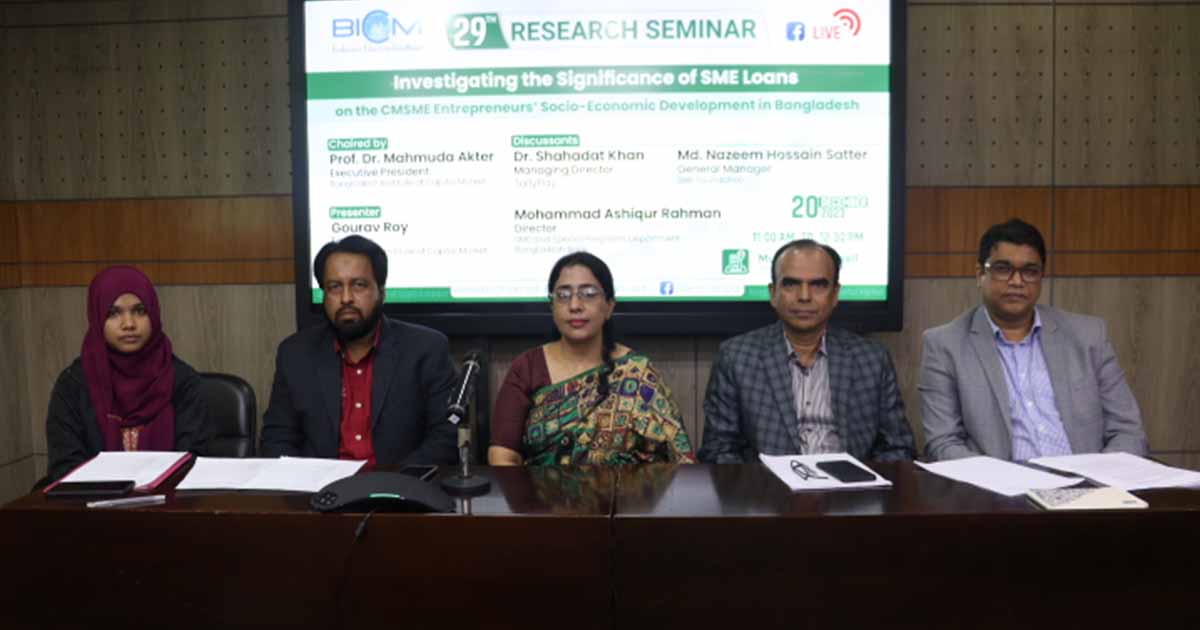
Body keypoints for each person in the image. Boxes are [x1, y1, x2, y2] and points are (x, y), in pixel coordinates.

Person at [919, 219, 1148, 461]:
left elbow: (1128, 431)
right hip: (1001, 483)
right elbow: (942, 443)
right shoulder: (945, 345)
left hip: (1086, 479)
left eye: (1029, 271)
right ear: (980, 274)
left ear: (1041, 277)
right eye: (1003, 269)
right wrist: (1001, 479)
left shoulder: (1088, 336)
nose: (1017, 282)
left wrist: (1099, 474)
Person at [698, 239, 914, 463]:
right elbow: (718, 450)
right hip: (767, 482)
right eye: (791, 284)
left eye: (818, 285)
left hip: (850, 483)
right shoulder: (737, 358)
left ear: (835, 294)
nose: (804, 296)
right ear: (773, 293)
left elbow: (898, 447)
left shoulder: (872, 359)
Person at [260, 235, 457, 466]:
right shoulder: (295, 354)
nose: (346, 298)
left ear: (381, 291)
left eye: (359, 285)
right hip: (320, 486)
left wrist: (395, 481)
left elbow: (445, 438)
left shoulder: (425, 349)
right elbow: (277, 439)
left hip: (399, 485)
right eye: (334, 287)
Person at [488, 252, 696, 466]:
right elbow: (502, 455)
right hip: (537, 489)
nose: (575, 305)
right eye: (563, 295)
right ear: (552, 306)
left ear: (609, 306)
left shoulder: (637, 372)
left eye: (588, 294)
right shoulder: (528, 367)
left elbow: (678, 456)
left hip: (629, 489)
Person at [44, 266, 210, 484]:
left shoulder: (183, 381)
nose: (129, 324)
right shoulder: (73, 385)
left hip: (170, 501)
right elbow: (65, 466)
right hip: (92, 503)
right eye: (113, 313)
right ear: (97, 317)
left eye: (140, 311)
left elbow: (193, 463)